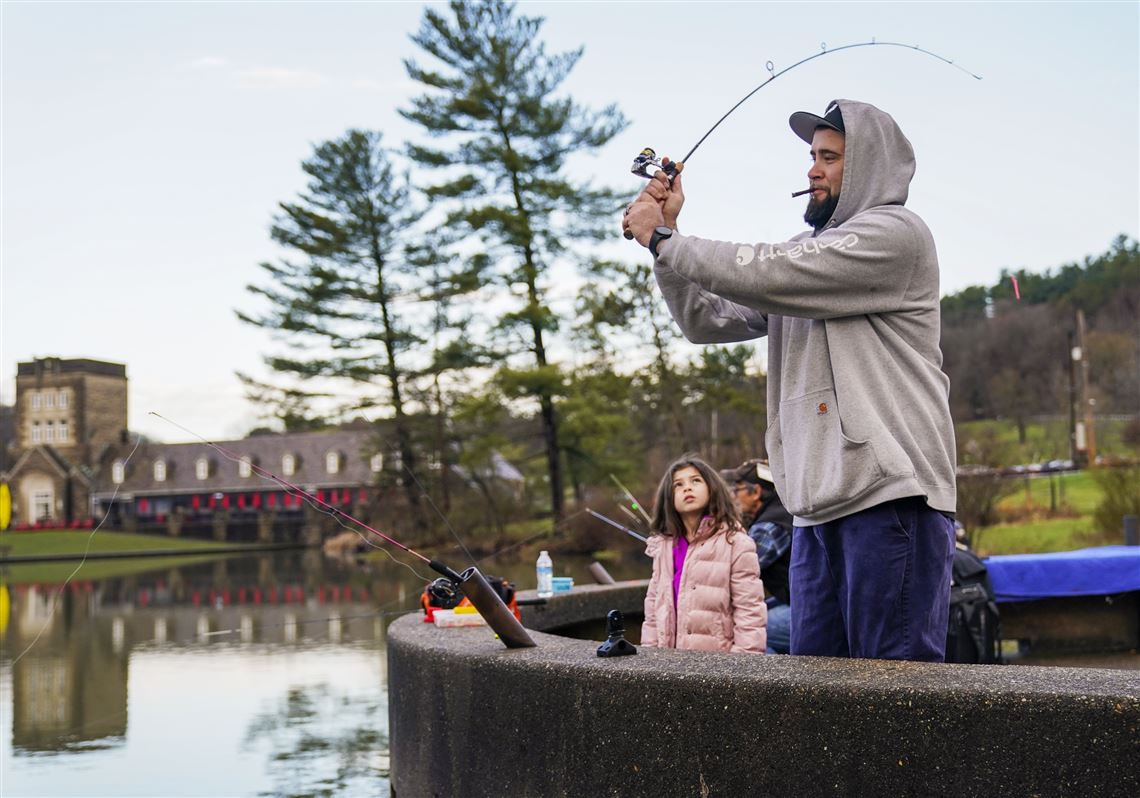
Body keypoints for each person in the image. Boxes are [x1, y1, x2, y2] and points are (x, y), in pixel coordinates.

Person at [623, 100, 957, 662]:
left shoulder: (896, 236)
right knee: (817, 701)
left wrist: (666, 241)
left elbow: (772, 270)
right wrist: (668, 243)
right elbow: (707, 318)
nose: (812, 170)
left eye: (829, 157)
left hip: (892, 499)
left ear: (869, 166)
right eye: (811, 156)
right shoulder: (803, 264)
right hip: (814, 508)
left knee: (898, 698)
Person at [641, 453, 767, 653]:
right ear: (669, 497)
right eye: (678, 485)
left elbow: (749, 612)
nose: (687, 488)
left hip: (716, 669)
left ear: (711, 488)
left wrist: (740, 669)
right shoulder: (663, 547)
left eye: (696, 481)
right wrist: (649, 657)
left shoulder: (736, 543)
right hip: (667, 667)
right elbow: (653, 611)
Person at [730, 459, 793, 655]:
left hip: (813, 610)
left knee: (748, 631)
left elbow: (735, 569)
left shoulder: (768, 528)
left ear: (755, 492)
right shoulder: (783, 511)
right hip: (795, 599)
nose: (734, 496)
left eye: (737, 490)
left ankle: (775, 683)